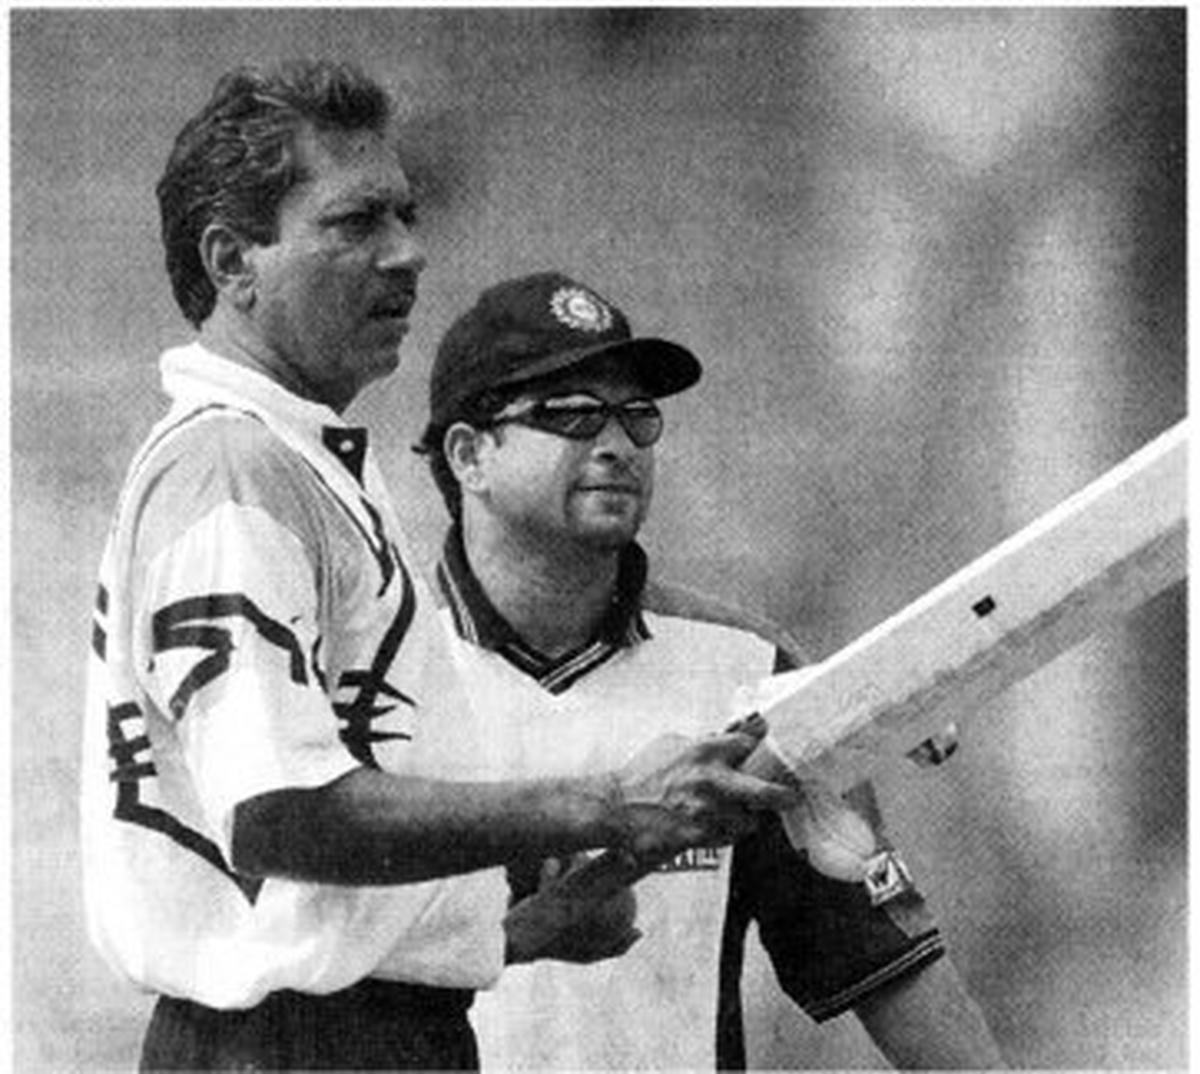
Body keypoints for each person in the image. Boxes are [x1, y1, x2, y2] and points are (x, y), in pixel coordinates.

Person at [80, 62, 800, 1072]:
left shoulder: (298, 460)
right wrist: (603, 802)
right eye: (356, 222)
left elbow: (316, 888)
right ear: (233, 259)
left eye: (407, 216)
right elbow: (278, 811)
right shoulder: (233, 468)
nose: (408, 253)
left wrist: (503, 928)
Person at [415, 270, 1008, 1070]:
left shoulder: (743, 669)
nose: (617, 443)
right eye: (572, 415)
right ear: (468, 455)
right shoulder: (379, 662)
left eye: (636, 416)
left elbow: (884, 965)